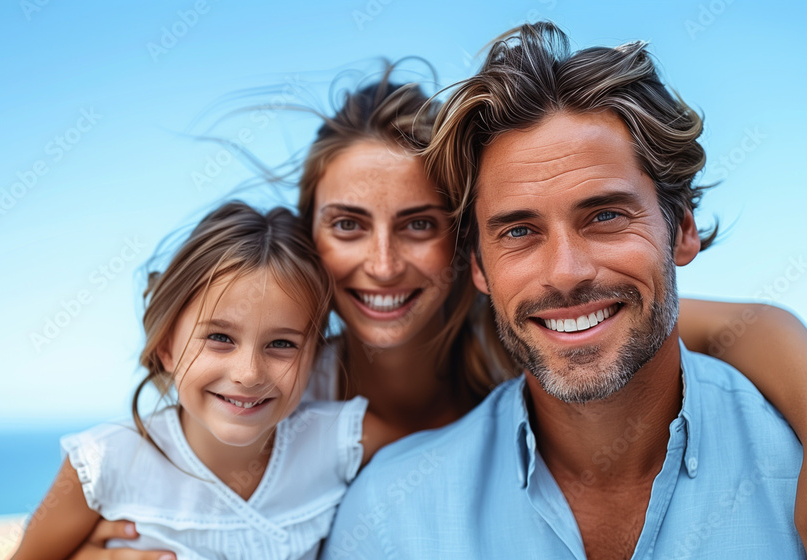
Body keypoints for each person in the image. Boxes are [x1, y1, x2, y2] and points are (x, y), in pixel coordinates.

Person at [71, 61, 807, 559]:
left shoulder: (530, 328)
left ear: (463, 252)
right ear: (308, 240)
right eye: (348, 225)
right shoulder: (269, 391)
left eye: (420, 224)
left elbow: (743, 327)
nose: (384, 264)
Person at [323, 21, 804, 559]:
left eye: (604, 215)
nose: (566, 272)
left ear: (683, 230)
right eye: (520, 232)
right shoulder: (391, 517)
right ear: (478, 266)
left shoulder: (790, 461)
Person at [12, 202, 402, 560]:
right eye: (220, 338)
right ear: (166, 345)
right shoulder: (105, 463)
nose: (249, 373)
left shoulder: (342, 438)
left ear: (313, 356)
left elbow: (451, 446)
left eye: (281, 344)